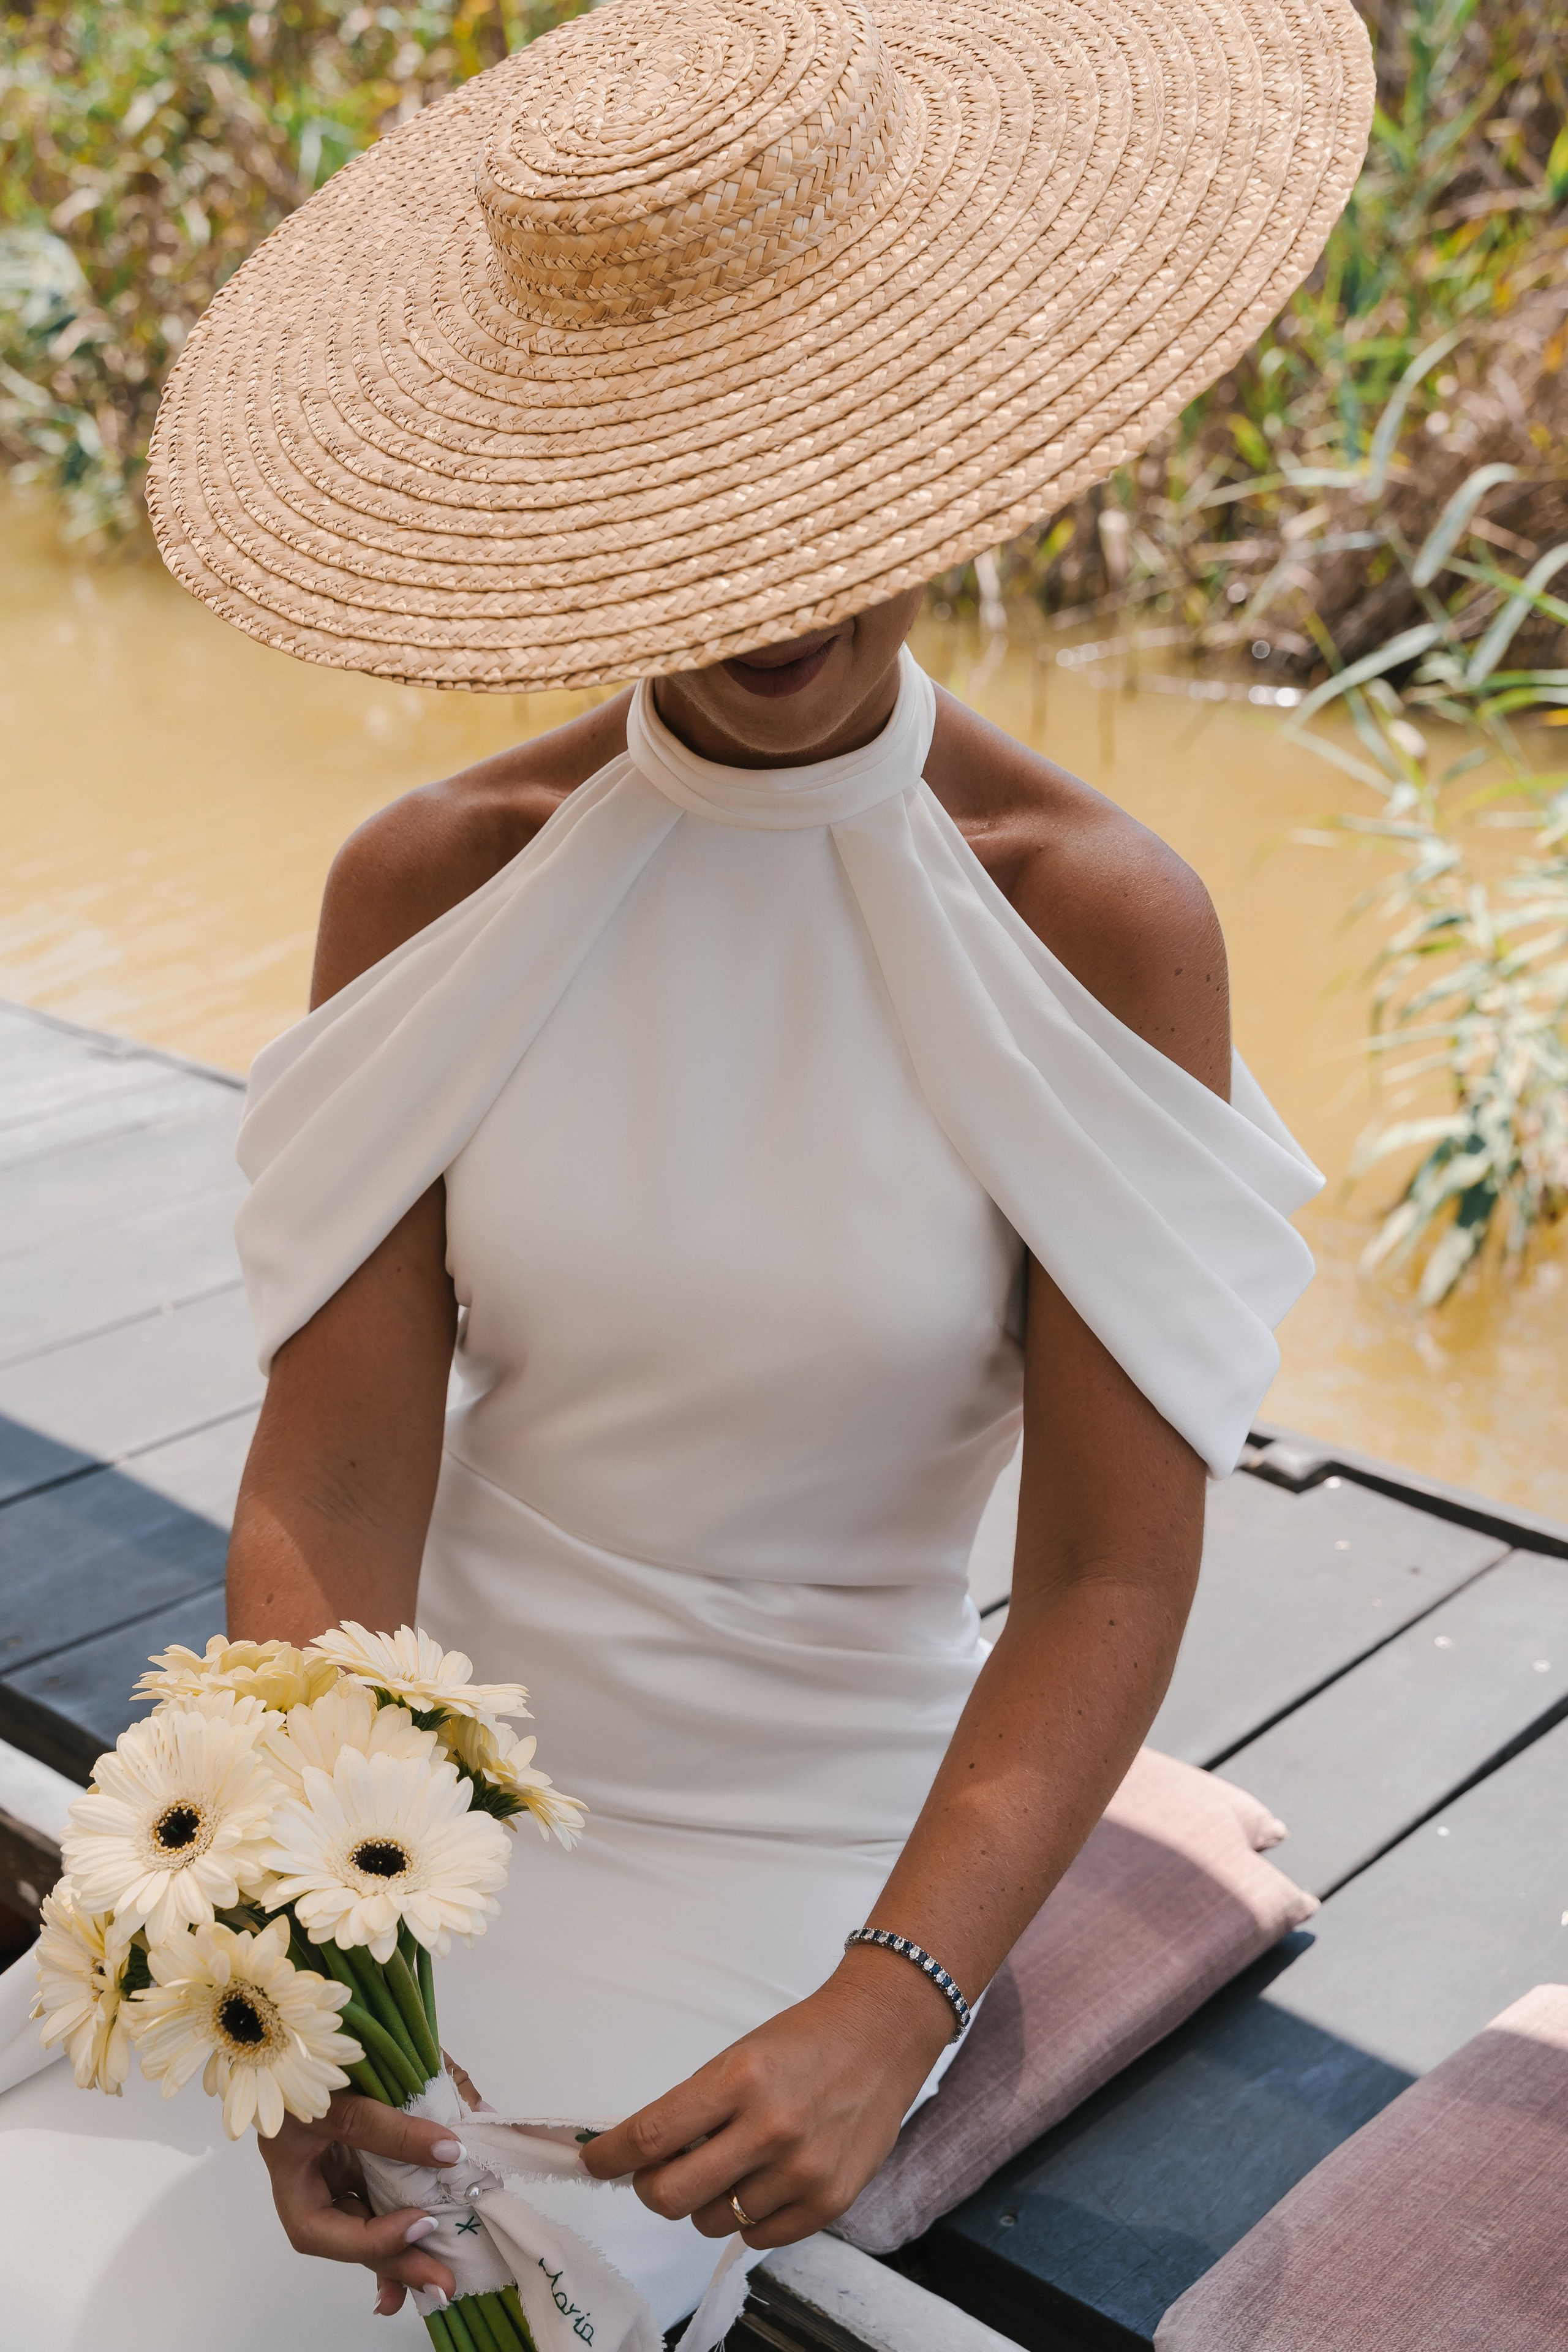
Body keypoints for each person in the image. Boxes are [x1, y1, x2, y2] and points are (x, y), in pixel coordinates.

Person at [0, 0, 1371, 2342]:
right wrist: (306, 1950)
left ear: (957, 441)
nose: (773, 580)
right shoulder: (436, 878)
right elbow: (335, 1481)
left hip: (812, 1837)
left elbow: (1111, 1580)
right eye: (696, 489)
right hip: (421, 1809)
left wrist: (893, 1997)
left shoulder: (1098, 914)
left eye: (828, 478)